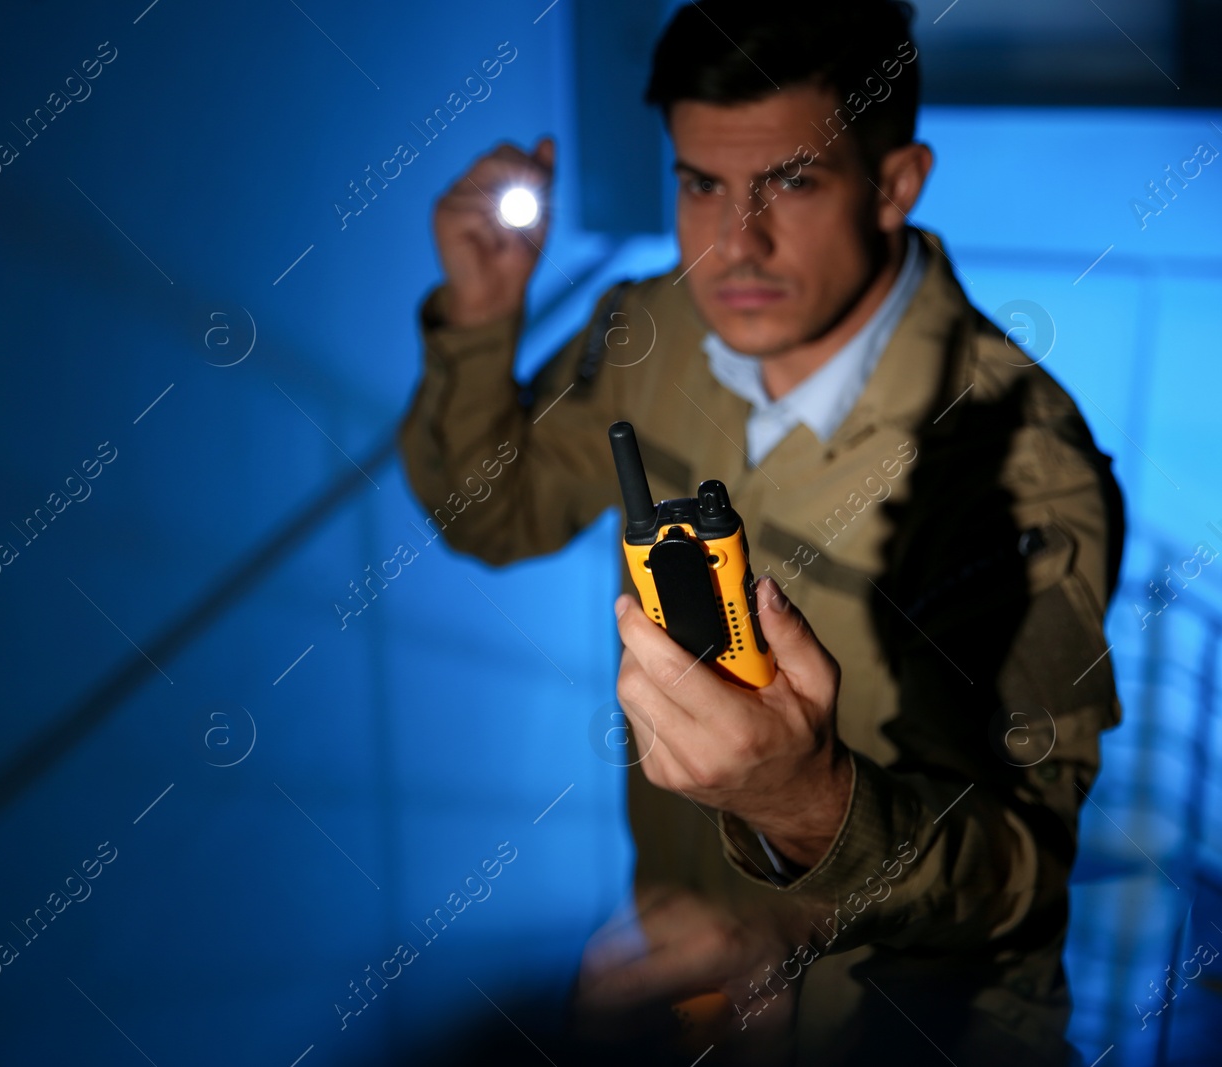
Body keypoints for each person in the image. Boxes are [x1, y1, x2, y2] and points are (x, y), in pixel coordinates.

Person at [397, 1, 1125, 1063]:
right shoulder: (651, 330)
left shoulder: (1022, 470)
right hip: (691, 996)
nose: (737, 244)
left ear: (894, 184)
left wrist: (806, 804)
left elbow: (1018, 868)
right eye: (701, 184)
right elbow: (493, 518)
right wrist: (477, 315)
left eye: (790, 180)